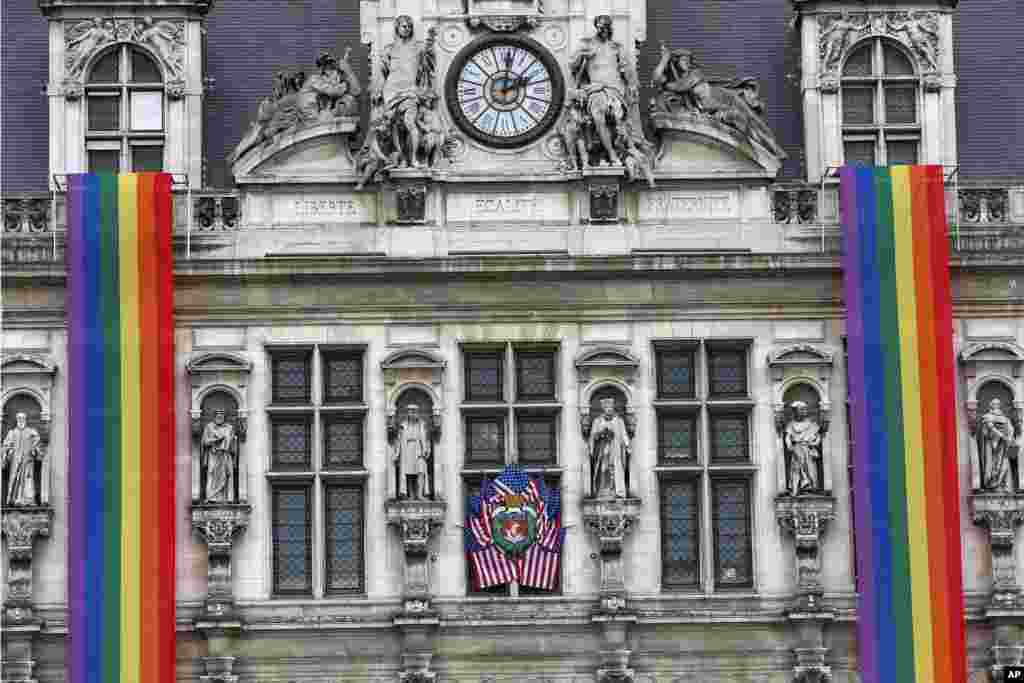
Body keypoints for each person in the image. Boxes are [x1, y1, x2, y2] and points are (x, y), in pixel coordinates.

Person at [569, 15, 638, 167]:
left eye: (607, 27)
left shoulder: (616, 47)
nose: (604, 30)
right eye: (601, 27)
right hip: (595, 88)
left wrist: (632, 85)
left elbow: (626, 69)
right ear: (597, 28)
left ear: (610, 27)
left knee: (616, 114)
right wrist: (582, 55)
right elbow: (572, 66)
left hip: (614, 88)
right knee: (597, 114)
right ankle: (612, 154)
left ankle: (622, 147)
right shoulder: (587, 45)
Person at [589, 397, 631, 498]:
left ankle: (615, 491)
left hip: (616, 450)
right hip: (602, 451)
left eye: (611, 407)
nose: (609, 409)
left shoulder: (619, 420)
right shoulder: (597, 421)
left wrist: (627, 445)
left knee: (614, 469)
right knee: (603, 469)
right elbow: (593, 436)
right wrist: (601, 433)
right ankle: (602, 490)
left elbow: (624, 434)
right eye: (607, 408)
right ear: (603, 409)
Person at [2, 412, 41, 506]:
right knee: (15, 478)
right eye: (19, 418)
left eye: (22, 418)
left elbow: (37, 441)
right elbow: (6, 444)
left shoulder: (31, 431)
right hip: (15, 460)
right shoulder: (12, 432)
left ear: (25, 419)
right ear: (16, 419)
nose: (20, 420)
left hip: (27, 459)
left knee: (27, 479)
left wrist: (33, 449)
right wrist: (8, 452)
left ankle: (28, 500)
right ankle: (14, 499)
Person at [784, 401, 822, 496]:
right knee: (796, 468)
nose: (803, 412)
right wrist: (789, 446)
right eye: (800, 410)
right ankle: (795, 489)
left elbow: (818, 437)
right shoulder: (791, 424)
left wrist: (814, 443)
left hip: (808, 449)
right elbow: (788, 437)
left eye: (804, 409)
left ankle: (810, 487)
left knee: (810, 468)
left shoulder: (811, 424)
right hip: (797, 448)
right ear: (795, 412)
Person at [979, 398, 1016, 493]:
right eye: (994, 404)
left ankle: (1003, 484)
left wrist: (1010, 437)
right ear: (991, 405)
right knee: (992, 463)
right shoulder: (987, 416)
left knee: (1004, 463)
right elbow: (990, 427)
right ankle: (992, 484)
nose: (996, 405)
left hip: (1004, 445)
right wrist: (1002, 436)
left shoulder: (1005, 418)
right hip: (992, 444)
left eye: (998, 403)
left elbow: (1011, 428)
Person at [394, 404, 431, 499]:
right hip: (407, 450)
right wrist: (397, 454)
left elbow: (426, 439)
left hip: (419, 449)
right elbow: (398, 440)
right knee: (408, 473)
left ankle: (420, 494)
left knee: (421, 471)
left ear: (417, 413)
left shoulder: (421, 424)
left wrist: (427, 449)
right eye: (410, 411)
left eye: (414, 411)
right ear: (407, 413)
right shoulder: (403, 425)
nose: (412, 413)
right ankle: (411, 495)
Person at [202, 409, 237, 503]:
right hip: (213, 455)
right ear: (214, 416)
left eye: (222, 415)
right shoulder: (209, 427)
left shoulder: (229, 427)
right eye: (218, 415)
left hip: (225, 454)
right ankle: (211, 497)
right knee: (212, 474)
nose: (220, 417)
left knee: (226, 475)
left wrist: (231, 442)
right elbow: (205, 442)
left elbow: (233, 442)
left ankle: (227, 498)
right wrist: (216, 440)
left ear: (225, 417)